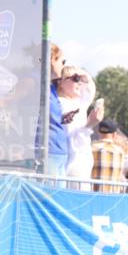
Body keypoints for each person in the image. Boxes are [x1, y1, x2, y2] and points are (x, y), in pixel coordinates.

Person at [58, 65, 103, 183]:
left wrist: (84, 75)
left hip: (81, 159)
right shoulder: (61, 104)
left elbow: (90, 89)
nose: (80, 83)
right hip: (71, 162)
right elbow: (71, 138)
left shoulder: (78, 103)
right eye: (75, 79)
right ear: (61, 83)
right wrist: (89, 125)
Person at [46, 44, 70, 176]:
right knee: (49, 195)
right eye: (62, 61)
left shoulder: (51, 88)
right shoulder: (35, 83)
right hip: (48, 152)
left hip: (59, 152)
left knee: (58, 196)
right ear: (51, 60)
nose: (64, 66)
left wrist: (62, 117)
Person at [91, 119, 128, 192]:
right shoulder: (120, 151)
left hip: (94, 196)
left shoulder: (91, 148)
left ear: (99, 132)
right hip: (113, 197)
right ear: (114, 134)